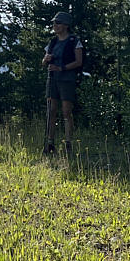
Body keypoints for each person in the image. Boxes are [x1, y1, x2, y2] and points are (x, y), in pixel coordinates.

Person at [42, 11, 83, 155]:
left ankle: (68, 142)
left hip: (67, 79)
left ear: (65, 25)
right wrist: (46, 60)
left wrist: (62, 68)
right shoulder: (52, 42)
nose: (55, 26)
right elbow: (43, 62)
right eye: (54, 23)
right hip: (52, 78)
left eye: (57, 23)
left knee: (66, 111)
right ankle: (50, 142)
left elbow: (79, 62)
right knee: (51, 111)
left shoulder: (74, 41)